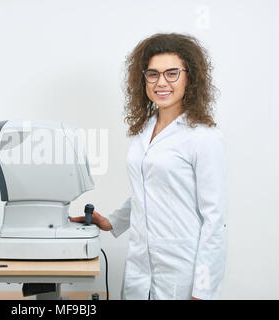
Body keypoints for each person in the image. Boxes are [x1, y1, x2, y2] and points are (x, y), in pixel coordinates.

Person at [71, 33, 227, 300]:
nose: (161, 82)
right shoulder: (143, 130)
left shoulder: (202, 137)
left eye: (172, 73)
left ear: (190, 77)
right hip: (139, 266)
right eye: (152, 74)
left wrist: (203, 291)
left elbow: (214, 220)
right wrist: (111, 222)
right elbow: (147, 190)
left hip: (182, 271)